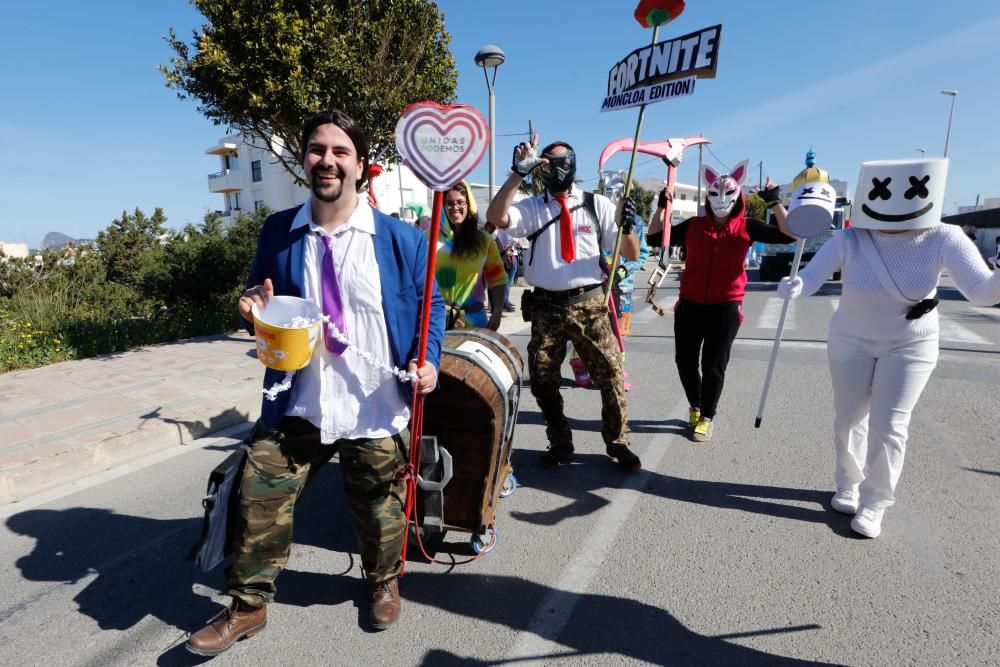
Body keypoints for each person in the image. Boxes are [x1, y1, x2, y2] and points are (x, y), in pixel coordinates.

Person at [186, 109, 444, 655]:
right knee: (259, 493)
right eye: (317, 149)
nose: (327, 160)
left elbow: (431, 307)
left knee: (379, 506)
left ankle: (382, 581)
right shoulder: (279, 230)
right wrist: (248, 308)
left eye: (340, 151)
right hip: (299, 400)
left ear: (360, 165)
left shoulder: (400, 239)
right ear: (304, 158)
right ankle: (248, 605)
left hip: (374, 402)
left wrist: (431, 361)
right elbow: (257, 296)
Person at [778, 157, 1000, 538]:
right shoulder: (849, 238)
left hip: (911, 345)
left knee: (890, 425)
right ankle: (848, 483)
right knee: (849, 418)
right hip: (850, 340)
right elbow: (812, 276)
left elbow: (981, 293)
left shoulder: (944, 237)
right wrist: (796, 285)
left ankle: (876, 501)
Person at [486, 136, 642, 471]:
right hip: (545, 308)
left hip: (590, 305)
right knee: (543, 379)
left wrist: (627, 225)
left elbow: (629, 252)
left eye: (562, 161)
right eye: (547, 162)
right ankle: (560, 440)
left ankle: (618, 442)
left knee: (611, 374)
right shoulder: (532, 206)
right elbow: (496, 217)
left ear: (572, 164)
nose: (556, 168)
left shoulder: (596, 205)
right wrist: (517, 175)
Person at [648, 161, 795, 442]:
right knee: (685, 362)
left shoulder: (747, 227)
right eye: (715, 195)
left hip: (725, 307)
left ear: (737, 196)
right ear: (707, 197)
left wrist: (775, 203)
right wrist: (661, 207)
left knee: (714, 365)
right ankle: (695, 405)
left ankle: (706, 416)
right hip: (690, 304)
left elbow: (788, 235)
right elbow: (656, 238)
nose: (721, 201)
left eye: (727, 195)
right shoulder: (694, 225)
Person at [434, 181, 508, 330]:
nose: (455, 207)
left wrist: (497, 312)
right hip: (438, 323)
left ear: (469, 204)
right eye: (449, 203)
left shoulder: (484, 241)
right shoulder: (429, 239)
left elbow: (498, 279)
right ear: (442, 206)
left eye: (460, 202)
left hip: (474, 322)